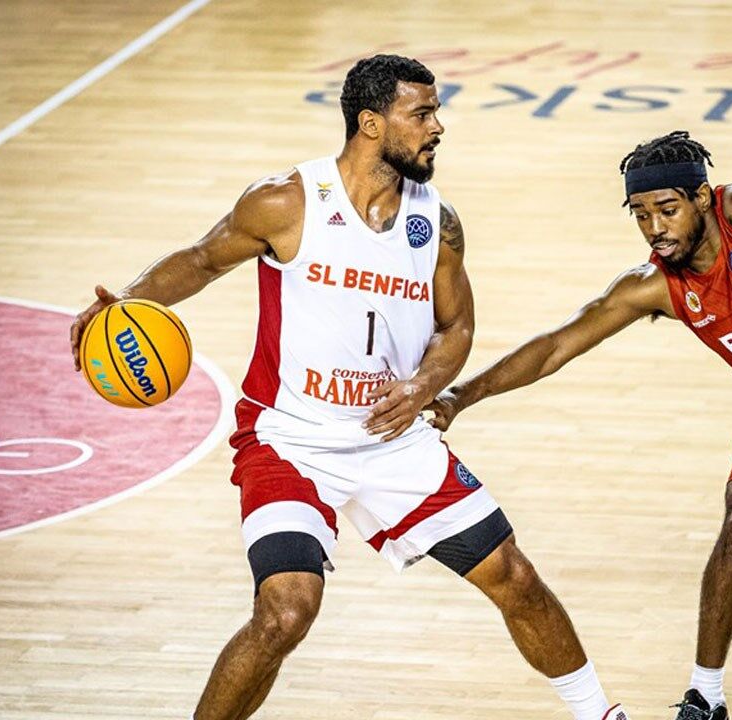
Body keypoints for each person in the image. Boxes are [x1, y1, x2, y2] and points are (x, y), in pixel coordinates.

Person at [68, 55, 627, 720]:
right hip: (290, 440)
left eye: (435, 111)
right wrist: (122, 301)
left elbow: (457, 326)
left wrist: (424, 384)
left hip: (392, 441)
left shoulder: (437, 223)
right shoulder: (286, 202)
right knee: (285, 613)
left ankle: (602, 714)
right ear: (370, 123)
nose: (437, 126)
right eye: (421, 113)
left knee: (516, 580)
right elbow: (199, 261)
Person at [426, 130, 732, 720]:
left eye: (667, 210)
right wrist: (460, 395)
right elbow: (557, 345)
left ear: (703, 199)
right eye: (641, 215)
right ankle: (705, 695)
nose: (655, 228)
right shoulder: (655, 285)